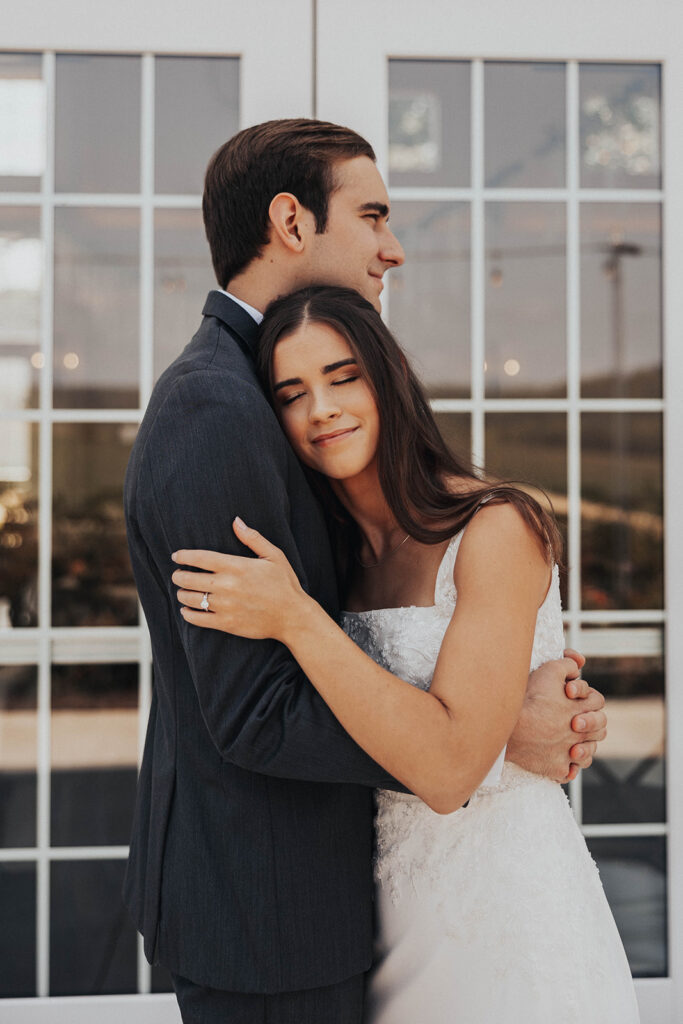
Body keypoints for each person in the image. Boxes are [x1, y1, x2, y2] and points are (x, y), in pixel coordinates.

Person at [124, 119, 607, 1024]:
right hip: (270, 914)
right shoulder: (215, 408)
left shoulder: (263, 399)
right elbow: (253, 711)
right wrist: (491, 739)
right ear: (291, 222)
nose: (391, 249)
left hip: (387, 906)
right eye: (373, 215)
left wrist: (495, 703)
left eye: (342, 378)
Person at [172, 284, 639, 1023]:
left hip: (502, 911)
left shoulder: (495, 527)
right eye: (291, 393)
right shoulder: (332, 561)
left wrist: (297, 619)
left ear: (387, 378)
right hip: (376, 914)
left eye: (343, 376)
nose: (320, 407)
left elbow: (450, 771)